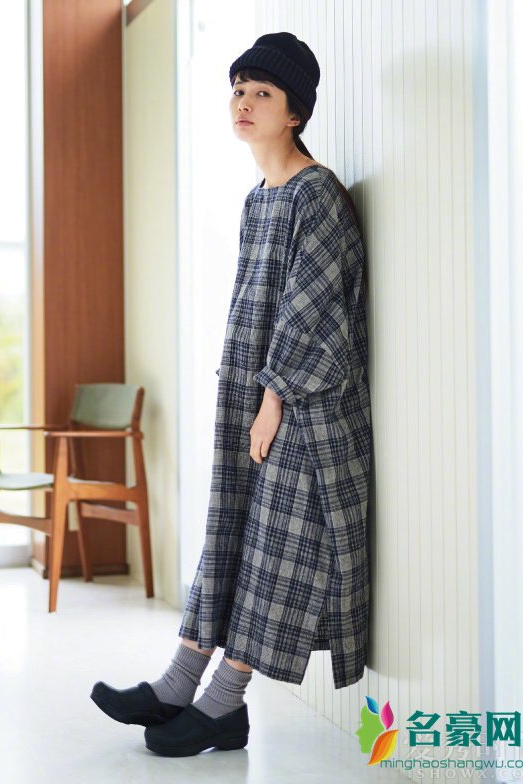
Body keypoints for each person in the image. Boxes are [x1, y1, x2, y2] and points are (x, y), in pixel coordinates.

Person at [91, 31, 372, 758]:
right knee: (233, 535)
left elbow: (314, 317)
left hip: (305, 407)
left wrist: (273, 399)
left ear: (296, 113)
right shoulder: (258, 199)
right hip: (255, 395)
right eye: (238, 90)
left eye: (262, 93)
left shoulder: (317, 196)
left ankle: (223, 703)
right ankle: (179, 683)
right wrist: (249, 398)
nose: (243, 102)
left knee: (277, 546)